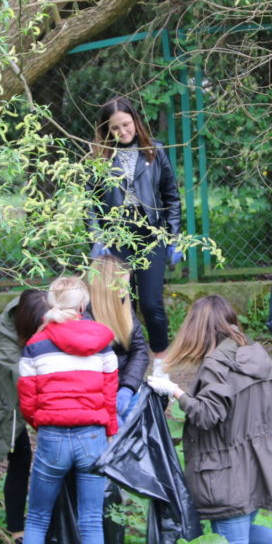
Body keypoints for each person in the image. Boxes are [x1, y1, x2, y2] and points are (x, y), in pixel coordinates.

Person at [145, 295, 272, 544]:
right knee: (241, 530)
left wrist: (175, 392)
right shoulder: (258, 356)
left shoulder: (216, 365)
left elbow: (207, 415)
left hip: (226, 471)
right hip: (261, 465)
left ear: (198, 329)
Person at [17, 276, 119, 544]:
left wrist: (41, 424)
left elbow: (27, 399)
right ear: (84, 305)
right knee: (91, 520)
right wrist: (109, 430)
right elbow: (109, 394)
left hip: (53, 436)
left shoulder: (35, 345)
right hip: (92, 434)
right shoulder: (103, 343)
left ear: (51, 304)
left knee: (36, 518)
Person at [88, 96, 182, 376]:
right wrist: (97, 238)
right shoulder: (99, 157)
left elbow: (171, 197)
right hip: (116, 237)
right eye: (115, 128)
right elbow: (90, 203)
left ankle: (161, 366)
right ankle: (125, 364)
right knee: (120, 301)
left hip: (149, 234)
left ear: (136, 121)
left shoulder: (155, 151)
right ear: (107, 130)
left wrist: (173, 235)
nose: (122, 132)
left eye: (126, 125)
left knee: (152, 304)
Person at [0, 290, 49, 543]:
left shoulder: (46, 310)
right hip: (0, 400)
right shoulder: (6, 329)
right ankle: (17, 530)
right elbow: (21, 375)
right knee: (20, 459)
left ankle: (49, 521)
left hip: (23, 394)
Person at [87, 254, 149, 423]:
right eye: (121, 285)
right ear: (106, 284)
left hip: (126, 389)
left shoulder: (124, 306)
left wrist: (128, 388)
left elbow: (140, 350)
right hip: (99, 396)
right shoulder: (85, 315)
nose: (125, 290)